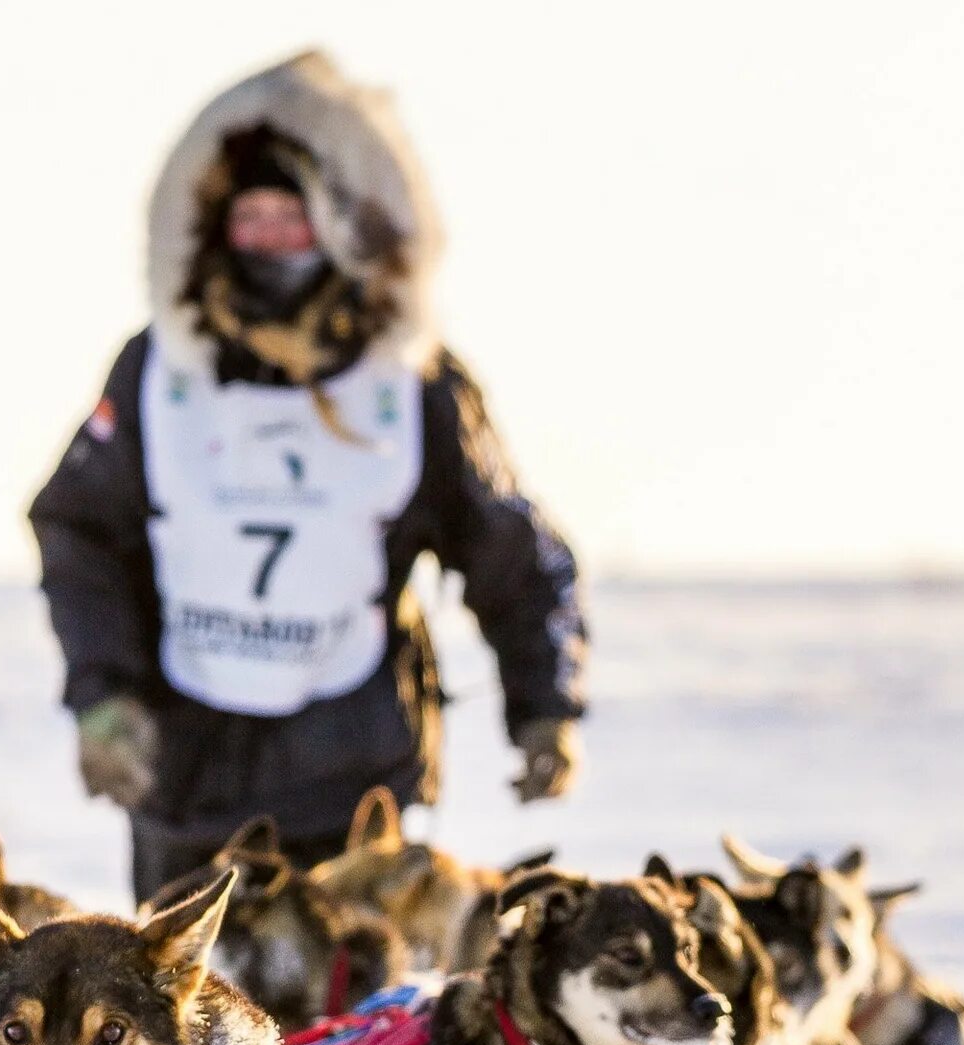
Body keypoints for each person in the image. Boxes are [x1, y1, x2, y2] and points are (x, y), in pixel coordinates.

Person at [30, 50, 589, 903]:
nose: (270, 238)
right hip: (186, 779)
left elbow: (509, 546)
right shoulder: (156, 372)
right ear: (216, 231)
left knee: (355, 1034)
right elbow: (80, 533)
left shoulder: (413, 382)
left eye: (291, 218)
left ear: (339, 228)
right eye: (250, 217)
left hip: (358, 778)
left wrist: (545, 705)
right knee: (178, 1032)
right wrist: (103, 699)